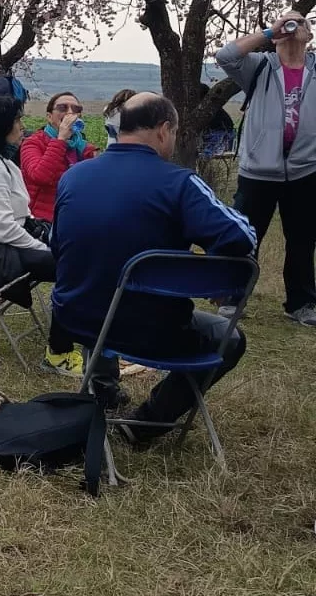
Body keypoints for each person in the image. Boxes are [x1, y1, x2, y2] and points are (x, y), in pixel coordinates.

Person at [52, 93, 257, 436]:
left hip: (76, 318)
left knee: (101, 286)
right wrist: (220, 281)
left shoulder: (74, 177)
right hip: (153, 333)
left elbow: (58, 247)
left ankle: (100, 390)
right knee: (230, 338)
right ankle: (146, 423)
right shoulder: (180, 184)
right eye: (174, 133)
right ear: (164, 130)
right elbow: (242, 236)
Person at [0, 95, 81, 373]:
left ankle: (84, 335)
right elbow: (3, 227)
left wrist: (46, 237)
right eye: (17, 120)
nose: (22, 126)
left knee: (85, 252)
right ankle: (59, 353)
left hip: (15, 240)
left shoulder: (2, 161)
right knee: (76, 268)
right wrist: (43, 248)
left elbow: (22, 216)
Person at [216, 13, 316, 326]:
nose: (295, 26)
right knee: (246, 235)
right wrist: (268, 33)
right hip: (260, 168)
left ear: (310, 33)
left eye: (301, 22)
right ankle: (233, 297)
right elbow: (225, 55)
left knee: (302, 238)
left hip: (306, 168)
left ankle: (301, 303)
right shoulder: (260, 65)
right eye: (289, 22)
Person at [20, 91, 97, 221]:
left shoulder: (84, 148)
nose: (69, 112)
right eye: (62, 108)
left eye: (76, 109)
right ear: (49, 117)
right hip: (41, 219)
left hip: (73, 218)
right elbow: (40, 176)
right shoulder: (33, 143)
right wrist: (60, 140)